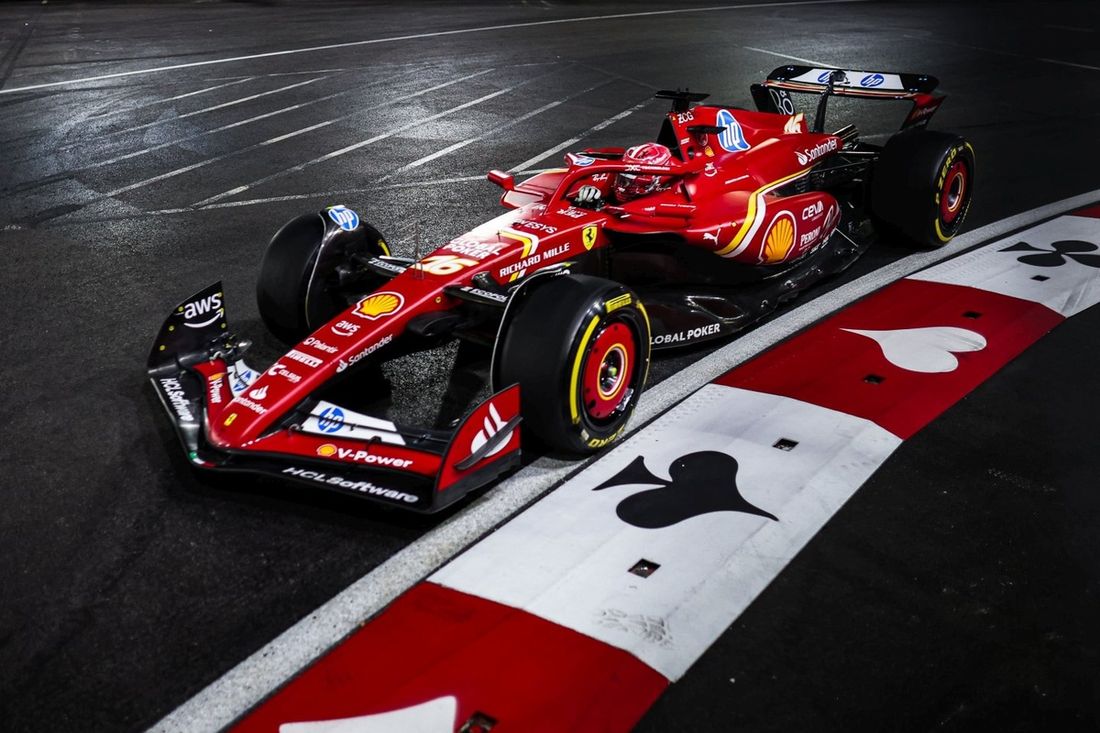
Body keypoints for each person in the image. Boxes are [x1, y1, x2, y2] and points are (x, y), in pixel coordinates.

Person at [574, 142, 673, 208]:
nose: (622, 188)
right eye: (622, 179)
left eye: (631, 182)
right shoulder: (605, 175)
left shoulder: (672, 198)